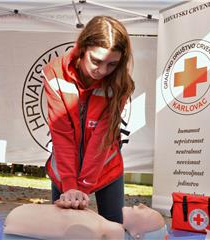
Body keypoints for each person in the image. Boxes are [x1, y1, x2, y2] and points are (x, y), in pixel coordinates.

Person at [42, 15, 135, 223]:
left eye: (112, 64)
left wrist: (82, 188)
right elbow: (61, 133)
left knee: (114, 228)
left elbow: (102, 139)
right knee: (62, 229)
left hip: (106, 166)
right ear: (83, 48)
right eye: (96, 61)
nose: (102, 71)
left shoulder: (119, 83)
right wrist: (70, 185)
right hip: (65, 169)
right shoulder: (54, 73)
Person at [3, 203, 167, 240]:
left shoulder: (93, 230)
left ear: (137, 235)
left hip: (17, 224)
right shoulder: (98, 225)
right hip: (18, 223)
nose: (142, 205)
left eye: (149, 213)